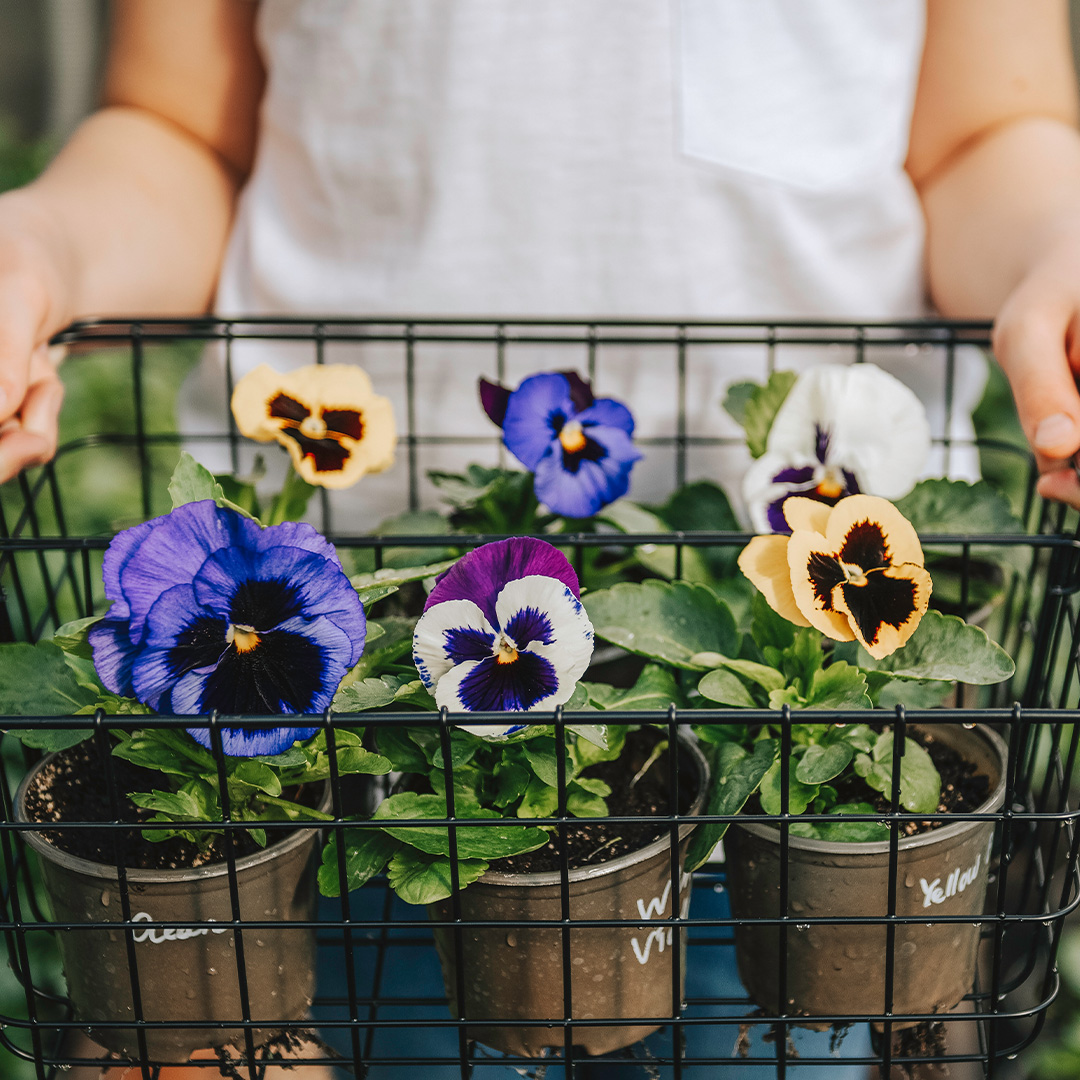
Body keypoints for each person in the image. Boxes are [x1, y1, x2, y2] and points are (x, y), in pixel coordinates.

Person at [2, 1, 1080, 511]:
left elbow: (983, 132)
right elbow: (183, 125)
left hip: (814, 631)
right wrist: (38, 246)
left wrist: (1058, 248)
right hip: (332, 637)